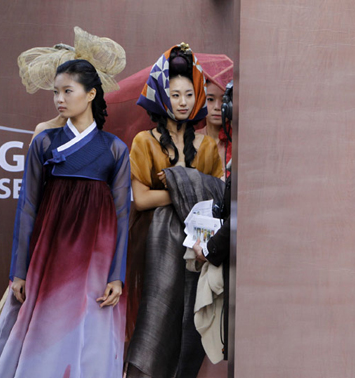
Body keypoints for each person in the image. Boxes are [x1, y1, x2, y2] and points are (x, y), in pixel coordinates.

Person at [0, 59, 130, 378]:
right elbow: (27, 207)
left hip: (97, 259)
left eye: (68, 91)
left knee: (89, 334)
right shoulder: (45, 142)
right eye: (56, 92)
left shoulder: (115, 150)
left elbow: (122, 215)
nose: (59, 99)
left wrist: (116, 275)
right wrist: (19, 270)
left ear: (91, 94)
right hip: (51, 255)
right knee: (46, 330)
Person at [125, 43, 224, 378]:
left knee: (191, 319)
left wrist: (174, 182)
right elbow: (140, 199)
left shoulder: (208, 146)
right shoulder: (144, 142)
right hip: (153, 246)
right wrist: (186, 188)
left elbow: (218, 200)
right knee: (154, 317)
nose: (182, 102)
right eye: (175, 94)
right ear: (161, 95)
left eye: (188, 95)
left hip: (199, 246)